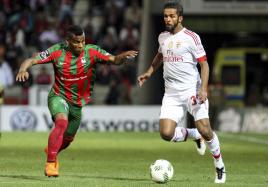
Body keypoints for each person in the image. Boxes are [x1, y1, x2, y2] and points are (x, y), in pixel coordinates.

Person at [16, 25, 138, 177]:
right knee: (61, 123)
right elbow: (32, 60)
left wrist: (122, 56)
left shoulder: (92, 51)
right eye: (77, 42)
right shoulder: (57, 51)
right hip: (58, 96)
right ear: (67, 41)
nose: (81, 45)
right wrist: (23, 69)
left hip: (77, 103)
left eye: (83, 41)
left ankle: (52, 149)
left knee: (68, 139)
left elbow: (114, 60)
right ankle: (50, 163)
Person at [137, 2, 226, 183]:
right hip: (171, 94)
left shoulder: (191, 38)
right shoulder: (162, 37)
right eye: (165, 16)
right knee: (166, 133)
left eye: (171, 16)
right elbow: (160, 55)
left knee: (206, 130)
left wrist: (203, 89)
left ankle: (220, 166)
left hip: (192, 91)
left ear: (180, 18)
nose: (167, 19)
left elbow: (204, 64)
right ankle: (194, 135)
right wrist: (148, 72)